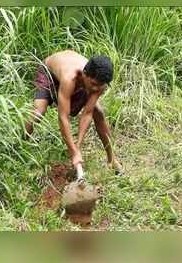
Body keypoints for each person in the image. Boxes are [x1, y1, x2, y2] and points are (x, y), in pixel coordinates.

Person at [25, 50, 122, 181]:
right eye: (93, 84)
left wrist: (78, 146)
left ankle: (112, 159)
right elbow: (63, 117)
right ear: (85, 74)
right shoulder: (69, 78)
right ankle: (21, 145)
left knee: (98, 112)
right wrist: (73, 152)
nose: (95, 89)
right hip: (49, 73)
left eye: (99, 86)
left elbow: (87, 113)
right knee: (38, 112)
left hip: (78, 80)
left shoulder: (99, 84)